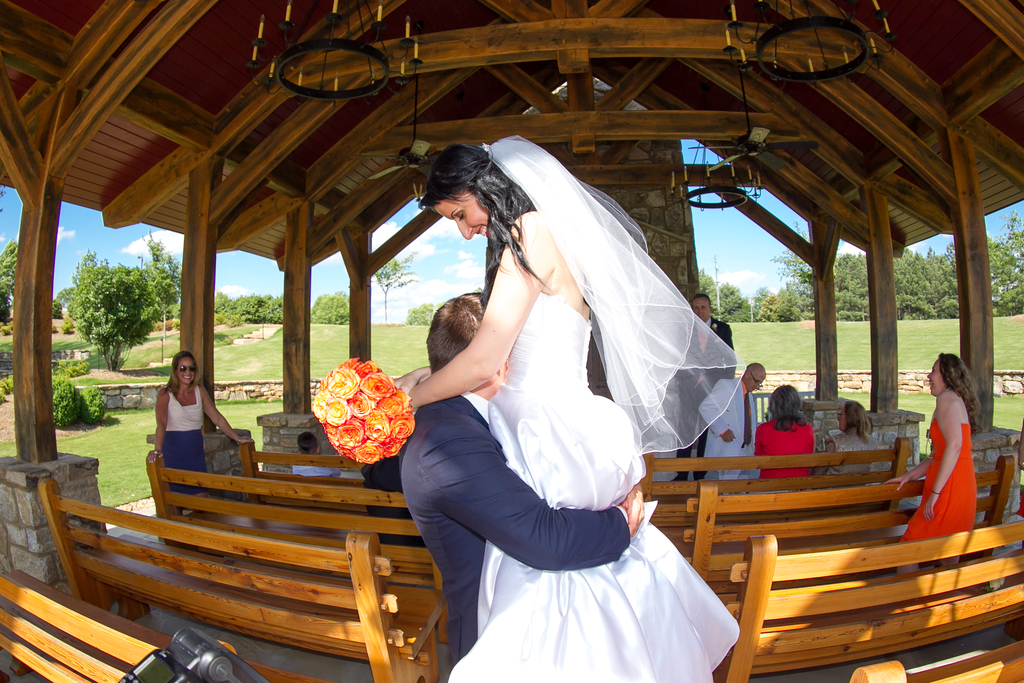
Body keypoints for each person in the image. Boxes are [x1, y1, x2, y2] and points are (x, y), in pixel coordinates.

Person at [401, 138, 741, 682]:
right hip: (554, 410)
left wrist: (405, 401)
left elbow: (486, 358)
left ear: (484, 185)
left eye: (460, 213)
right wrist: (417, 375)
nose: (464, 230)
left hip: (539, 421)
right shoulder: (547, 235)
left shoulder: (527, 235)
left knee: (545, 571)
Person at [401, 293, 643, 662]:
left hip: (540, 618)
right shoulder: (446, 440)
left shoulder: (462, 415)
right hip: (497, 637)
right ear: (495, 358)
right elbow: (544, 539)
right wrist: (623, 522)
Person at [888, 354, 980, 570]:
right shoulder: (954, 399)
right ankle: (940, 599)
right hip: (960, 481)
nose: (929, 376)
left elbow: (955, 445)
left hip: (949, 486)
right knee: (949, 554)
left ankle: (910, 599)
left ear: (946, 375)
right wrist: (910, 475)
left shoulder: (946, 399)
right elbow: (937, 453)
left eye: (934, 371)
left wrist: (936, 494)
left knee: (907, 549)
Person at [149, 350, 253, 496]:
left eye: (192, 368)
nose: (188, 372)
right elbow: (161, 423)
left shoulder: (199, 390)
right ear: (175, 370)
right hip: (173, 456)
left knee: (201, 502)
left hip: (195, 456)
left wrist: (238, 438)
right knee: (175, 505)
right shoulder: (165, 394)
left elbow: (217, 418)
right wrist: (157, 449)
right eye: (183, 368)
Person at [698, 363, 766, 480]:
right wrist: (722, 430)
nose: (757, 386)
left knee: (741, 491)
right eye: (757, 382)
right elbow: (706, 407)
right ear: (748, 374)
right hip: (729, 450)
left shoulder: (748, 395)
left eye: (760, 384)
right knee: (726, 492)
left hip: (746, 450)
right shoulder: (727, 386)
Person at [755, 385, 815, 478]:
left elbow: (758, 457)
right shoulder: (807, 428)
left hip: (769, 485)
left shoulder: (763, 429)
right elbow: (810, 455)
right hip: (800, 485)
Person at [810, 400, 878, 476]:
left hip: (834, 486)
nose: (838, 419)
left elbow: (817, 473)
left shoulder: (835, 443)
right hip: (860, 485)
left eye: (840, 415)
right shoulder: (872, 442)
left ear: (850, 418)